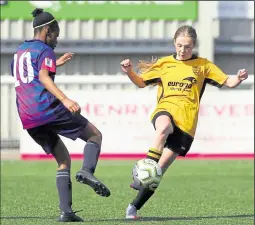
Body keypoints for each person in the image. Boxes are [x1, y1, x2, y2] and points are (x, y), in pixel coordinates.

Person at [120, 25, 249, 219]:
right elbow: (140, 82)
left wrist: (238, 78)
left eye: (187, 47)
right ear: (174, 43)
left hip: (187, 124)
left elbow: (228, 83)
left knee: (158, 173)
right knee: (163, 127)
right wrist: (129, 71)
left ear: (193, 46)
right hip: (166, 110)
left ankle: (133, 207)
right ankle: (143, 173)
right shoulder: (164, 64)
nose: (182, 50)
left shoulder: (203, 65)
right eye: (179, 45)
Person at [10, 8, 110, 222]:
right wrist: (65, 99)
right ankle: (87, 171)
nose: (56, 40)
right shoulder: (44, 49)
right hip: (47, 108)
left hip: (28, 117)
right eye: (56, 34)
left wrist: (56, 64)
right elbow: (44, 77)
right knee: (94, 135)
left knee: (63, 160)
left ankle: (66, 212)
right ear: (47, 30)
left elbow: (30, 76)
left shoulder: (20, 51)